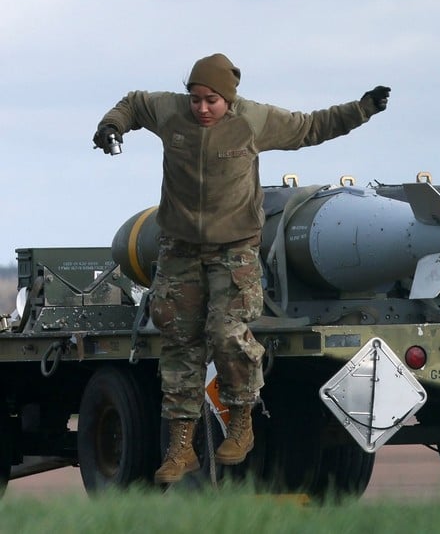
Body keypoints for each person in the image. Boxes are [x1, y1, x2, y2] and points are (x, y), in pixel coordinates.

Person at [92, 53, 390, 484]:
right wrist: (112, 126)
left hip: (233, 250)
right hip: (178, 250)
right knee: (178, 343)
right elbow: (133, 104)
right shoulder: (170, 111)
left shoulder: (253, 120)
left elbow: (311, 127)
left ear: (227, 99)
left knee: (227, 334)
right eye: (195, 99)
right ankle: (179, 448)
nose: (201, 108)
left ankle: (241, 423)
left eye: (211, 100)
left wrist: (361, 109)